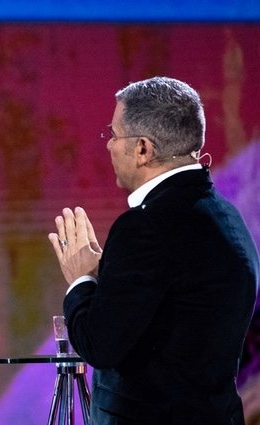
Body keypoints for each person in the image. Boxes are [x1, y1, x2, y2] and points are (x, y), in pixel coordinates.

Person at [48, 76, 259, 424]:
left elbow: (99, 345)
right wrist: (113, 281)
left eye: (114, 135)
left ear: (143, 148)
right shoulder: (227, 217)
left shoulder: (145, 227)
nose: (109, 146)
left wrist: (82, 279)